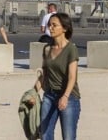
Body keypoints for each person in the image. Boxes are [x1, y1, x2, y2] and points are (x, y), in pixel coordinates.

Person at [33, 12, 81, 140]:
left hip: (69, 97)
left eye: (54, 25)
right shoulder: (47, 49)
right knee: (45, 134)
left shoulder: (71, 49)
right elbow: (44, 74)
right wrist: (33, 93)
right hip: (49, 96)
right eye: (49, 25)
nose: (50, 28)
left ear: (64, 28)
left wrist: (65, 96)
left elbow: (72, 77)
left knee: (68, 136)